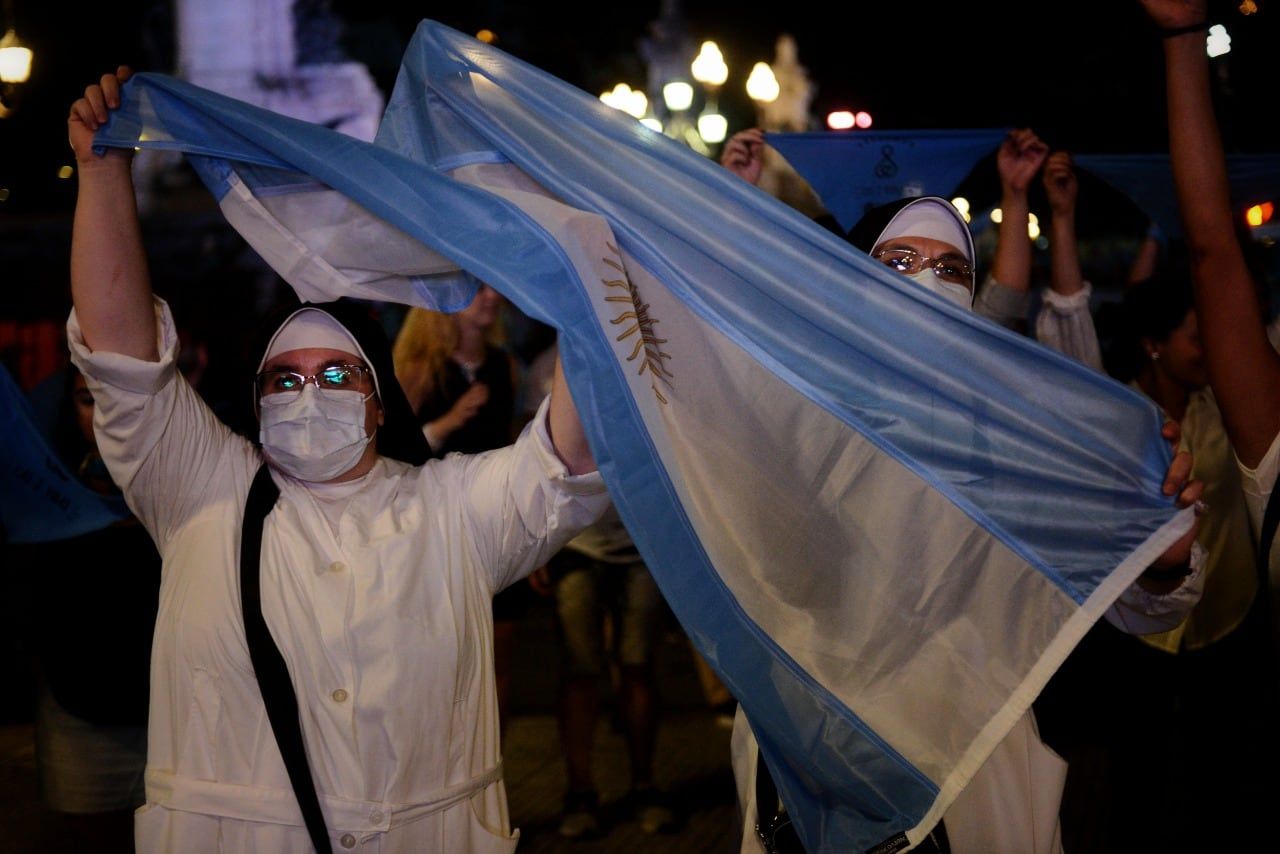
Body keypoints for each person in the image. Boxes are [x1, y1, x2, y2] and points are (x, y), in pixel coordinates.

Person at [68, 66, 610, 852]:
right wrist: (101, 170)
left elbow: (569, 459)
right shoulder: (201, 494)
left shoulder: (451, 509)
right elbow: (122, 358)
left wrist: (591, 261)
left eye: (337, 374)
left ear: (379, 403)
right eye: (284, 379)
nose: (309, 393)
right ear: (255, 405)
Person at [731, 195, 1208, 854]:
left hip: (971, 761)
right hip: (813, 753)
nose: (928, 280)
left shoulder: (1018, 434)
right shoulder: (791, 409)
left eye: (952, 269)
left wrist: (1162, 560)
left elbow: (1140, 606)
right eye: (900, 261)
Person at [392, 290, 531, 735]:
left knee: (499, 658)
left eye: (492, 286)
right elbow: (393, 456)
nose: (490, 297)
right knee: (445, 665)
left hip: (494, 530)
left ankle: (493, 770)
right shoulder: (419, 368)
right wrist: (448, 421)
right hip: (435, 533)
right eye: (474, 287)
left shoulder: (503, 366)